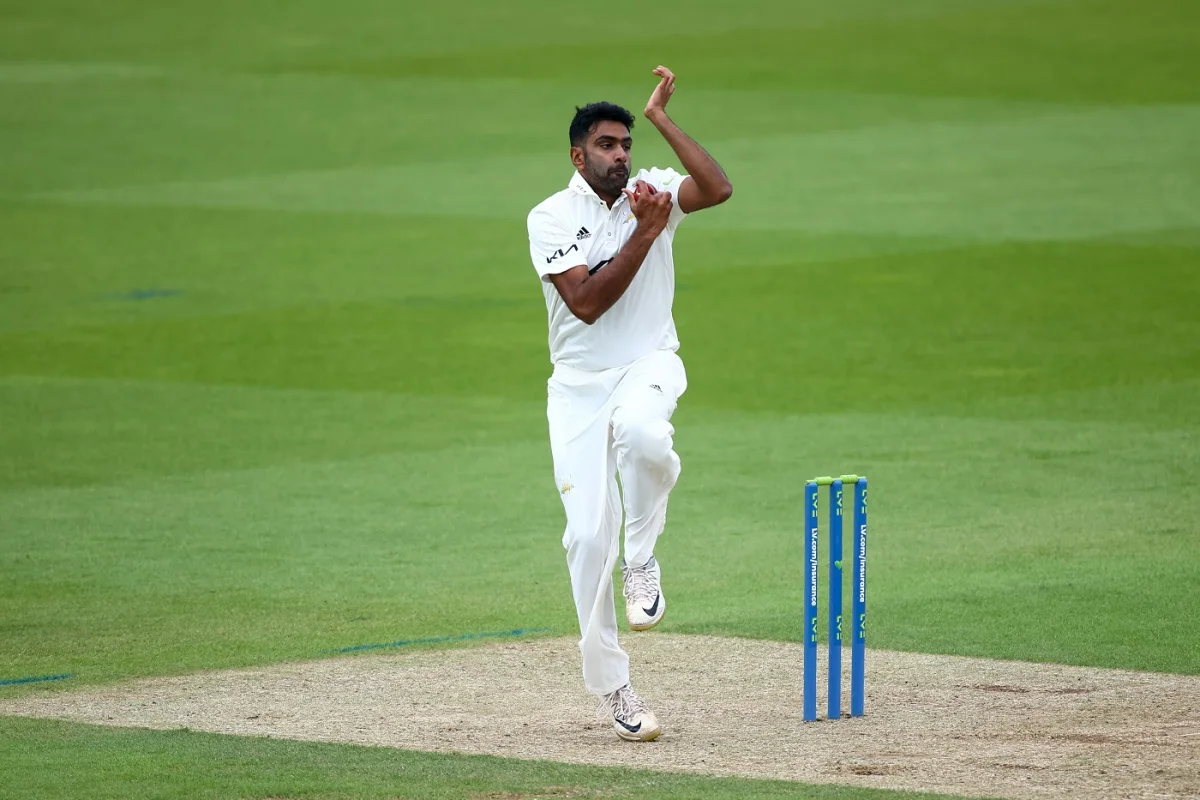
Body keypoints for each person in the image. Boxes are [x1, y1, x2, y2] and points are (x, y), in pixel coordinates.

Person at [526, 66, 733, 742]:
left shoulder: (655, 192)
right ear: (577, 154)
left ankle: (641, 559)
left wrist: (665, 120)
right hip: (579, 386)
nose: (620, 156)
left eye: (626, 144)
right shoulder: (550, 217)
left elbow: (718, 187)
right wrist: (644, 233)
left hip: (648, 362)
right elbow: (583, 304)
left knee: (645, 435)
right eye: (607, 145)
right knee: (586, 539)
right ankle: (615, 688)